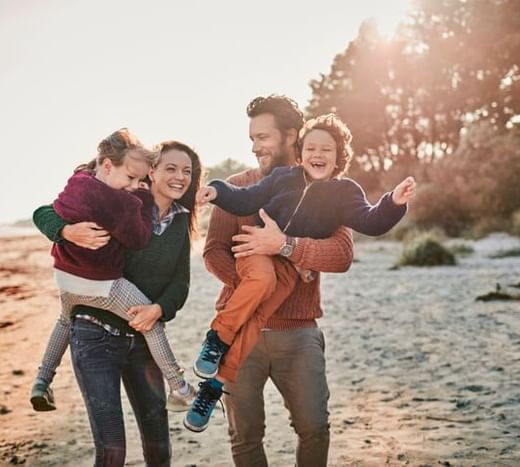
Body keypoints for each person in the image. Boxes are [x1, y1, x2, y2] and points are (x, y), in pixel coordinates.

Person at [185, 114, 415, 432]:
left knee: (257, 317)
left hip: (289, 272)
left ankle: (215, 385)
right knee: (261, 284)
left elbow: (371, 221)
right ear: (300, 151)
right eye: (311, 148)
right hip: (257, 254)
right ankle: (217, 337)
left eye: (326, 150)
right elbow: (245, 199)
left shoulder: (344, 193)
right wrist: (217, 191)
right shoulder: (283, 178)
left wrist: (393, 202)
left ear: (339, 158)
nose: (317, 155)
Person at [200, 95, 351, 466]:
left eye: (263, 138)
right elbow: (213, 251)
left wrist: (286, 246)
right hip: (238, 336)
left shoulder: (328, 189)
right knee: (245, 437)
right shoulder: (237, 187)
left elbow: (342, 253)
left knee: (315, 427)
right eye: (252, 138)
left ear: (291, 136)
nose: (255, 147)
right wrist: (257, 284)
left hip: (298, 333)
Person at [33, 140, 202, 466]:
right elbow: (43, 212)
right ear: (151, 172)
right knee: (112, 453)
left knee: (159, 449)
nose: (180, 177)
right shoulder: (118, 200)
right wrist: (66, 232)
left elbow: (180, 282)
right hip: (95, 337)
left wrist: (159, 309)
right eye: (171, 168)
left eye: (187, 171)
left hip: (144, 340)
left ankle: (177, 385)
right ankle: (43, 380)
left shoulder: (181, 220)